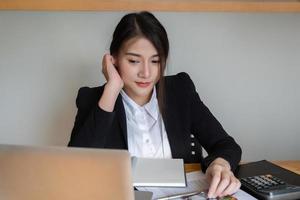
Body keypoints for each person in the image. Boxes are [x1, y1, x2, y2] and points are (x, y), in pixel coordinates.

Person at [68, 11, 242, 198]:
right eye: (134, 61)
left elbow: (226, 145)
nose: (146, 73)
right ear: (114, 59)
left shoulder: (180, 90)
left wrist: (220, 165)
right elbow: (76, 167)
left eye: (156, 61)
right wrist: (111, 89)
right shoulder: (95, 99)